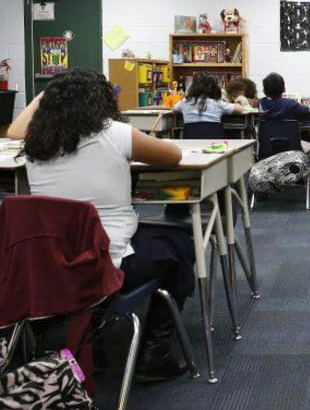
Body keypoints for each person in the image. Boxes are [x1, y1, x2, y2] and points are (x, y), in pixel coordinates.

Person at [7, 68, 192, 382]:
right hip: (103, 263)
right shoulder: (115, 132)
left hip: (46, 266)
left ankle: (92, 333)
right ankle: (153, 351)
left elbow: (13, 130)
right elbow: (173, 156)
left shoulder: (36, 142)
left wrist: (50, 92)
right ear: (102, 101)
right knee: (180, 243)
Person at [258, 71, 310, 200]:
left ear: (264, 91)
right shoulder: (290, 104)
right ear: (284, 89)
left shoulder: (261, 103)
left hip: (267, 151)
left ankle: (263, 186)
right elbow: (305, 111)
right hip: (292, 151)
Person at [173, 72, 243, 125]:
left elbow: (174, 109)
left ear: (193, 87)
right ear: (214, 88)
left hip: (190, 142)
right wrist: (238, 101)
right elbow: (239, 109)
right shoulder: (217, 103)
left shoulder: (185, 102)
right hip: (214, 143)